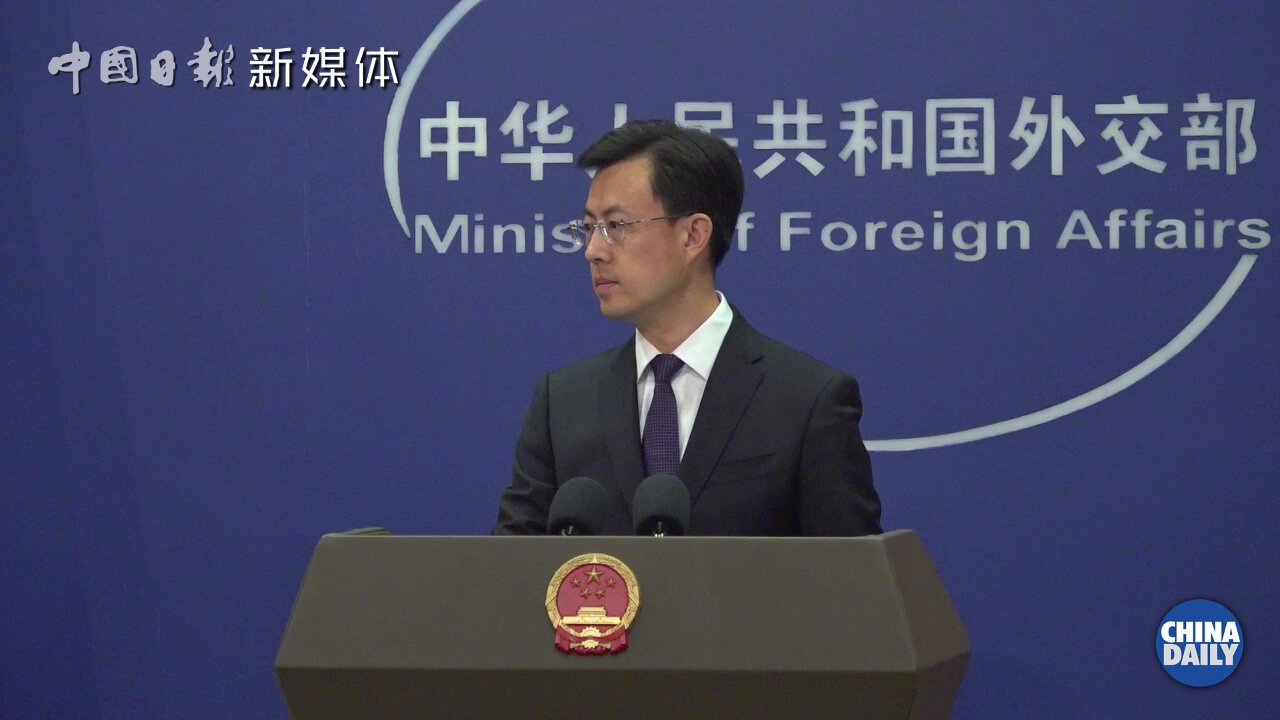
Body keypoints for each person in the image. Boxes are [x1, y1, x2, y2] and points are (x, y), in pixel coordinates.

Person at [492, 120, 880, 536]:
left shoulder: (806, 401)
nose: (593, 251)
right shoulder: (563, 402)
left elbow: (850, 570)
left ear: (693, 235)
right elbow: (511, 562)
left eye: (616, 226)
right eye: (588, 228)